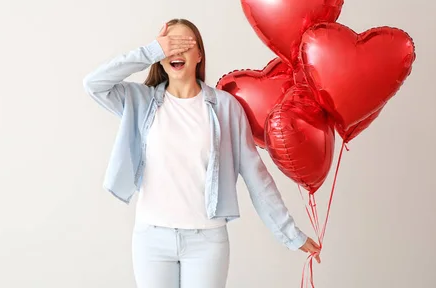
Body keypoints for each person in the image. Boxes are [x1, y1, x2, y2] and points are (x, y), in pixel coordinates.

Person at [83, 19, 320, 288]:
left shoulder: (225, 107)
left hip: (207, 242)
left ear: (199, 55)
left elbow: (256, 176)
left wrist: (291, 234)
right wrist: (151, 50)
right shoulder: (141, 102)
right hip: (152, 239)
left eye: (185, 44)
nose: (176, 51)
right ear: (160, 58)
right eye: (170, 45)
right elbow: (94, 84)